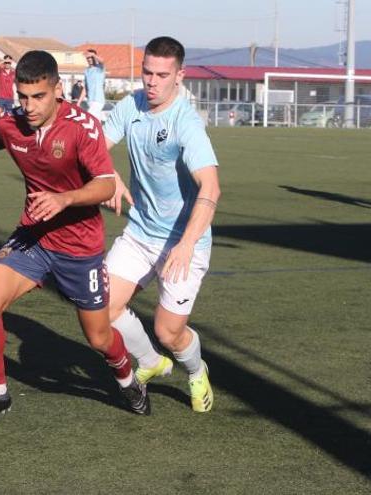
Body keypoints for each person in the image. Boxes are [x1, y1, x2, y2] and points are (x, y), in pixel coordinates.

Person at [0, 50, 149, 433]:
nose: (28, 106)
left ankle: (127, 378)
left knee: (99, 337)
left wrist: (64, 198)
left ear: (57, 90)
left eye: (38, 96)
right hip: (33, 238)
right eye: (23, 96)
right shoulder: (12, 125)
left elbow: (106, 183)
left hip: (79, 250)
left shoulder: (82, 126)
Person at [102, 36, 219, 413]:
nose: (152, 82)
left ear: (179, 76)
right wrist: (110, 176)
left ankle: (196, 370)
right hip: (140, 233)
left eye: (162, 75)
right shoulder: (130, 106)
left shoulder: (186, 122)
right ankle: (151, 362)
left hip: (185, 241)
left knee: (168, 331)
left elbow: (211, 187)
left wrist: (185, 245)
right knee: (102, 306)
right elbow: (93, 148)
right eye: (147, 73)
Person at [76, 49, 106, 120]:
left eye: (91, 57)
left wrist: (93, 55)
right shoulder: (87, 71)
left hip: (98, 100)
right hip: (90, 101)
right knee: (96, 123)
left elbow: (102, 61)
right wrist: (79, 102)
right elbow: (86, 88)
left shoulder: (99, 68)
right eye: (88, 57)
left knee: (88, 118)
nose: (89, 59)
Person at [0, 54, 16, 120]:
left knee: (10, 116)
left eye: (9, 62)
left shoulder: (13, 73)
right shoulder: (0, 71)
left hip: (10, 97)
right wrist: (3, 61)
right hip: (1, 97)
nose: (7, 64)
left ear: (11, 63)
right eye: (6, 62)